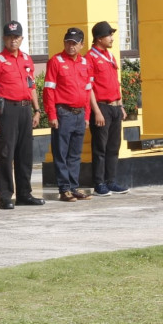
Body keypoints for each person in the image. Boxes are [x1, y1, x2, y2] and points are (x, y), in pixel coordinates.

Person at [0, 20, 45, 210]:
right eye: (10, 37)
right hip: (7, 111)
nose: (13, 41)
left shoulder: (26, 59)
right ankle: (5, 196)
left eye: (17, 37)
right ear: (4, 38)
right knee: (6, 153)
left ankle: (24, 194)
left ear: (21, 38)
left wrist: (37, 110)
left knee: (25, 154)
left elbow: (32, 86)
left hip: (25, 109)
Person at [44, 27, 94, 202]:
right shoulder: (56, 61)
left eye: (74, 43)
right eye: (68, 42)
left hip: (80, 114)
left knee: (75, 154)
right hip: (63, 113)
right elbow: (49, 90)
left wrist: (87, 116)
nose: (71, 46)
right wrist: (52, 115)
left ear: (82, 45)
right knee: (61, 153)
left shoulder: (85, 63)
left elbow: (88, 91)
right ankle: (64, 189)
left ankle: (74, 187)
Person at [87, 21, 129, 197]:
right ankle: (99, 183)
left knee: (113, 146)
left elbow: (115, 83)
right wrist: (96, 111)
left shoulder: (110, 56)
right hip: (102, 107)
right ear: (99, 38)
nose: (112, 38)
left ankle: (111, 180)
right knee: (100, 147)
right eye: (109, 35)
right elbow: (88, 87)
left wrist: (120, 105)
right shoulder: (90, 58)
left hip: (114, 107)